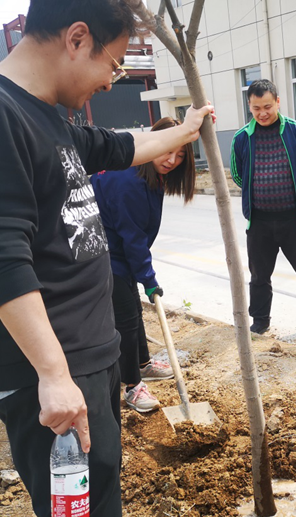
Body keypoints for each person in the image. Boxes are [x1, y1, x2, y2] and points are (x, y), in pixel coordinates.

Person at [0, 1, 213, 517]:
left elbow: (114, 148)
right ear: (77, 37)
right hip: (52, 376)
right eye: (112, 64)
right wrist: (54, 374)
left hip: (86, 360)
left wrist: (184, 131)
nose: (111, 80)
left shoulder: (49, 116)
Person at [93, 117, 196, 412]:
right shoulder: (129, 180)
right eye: (168, 151)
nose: (172, 160)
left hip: (119, 252)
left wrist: (142, 274)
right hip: (102, 255)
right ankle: (132, 385)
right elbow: (133, 237)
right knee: (125, 319)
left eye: (180, 156)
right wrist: (148, 277)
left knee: (134, 310)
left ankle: (143, 364)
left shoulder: (148, 174)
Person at [230, 79, 296, 339]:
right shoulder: (241, 138)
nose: (262, 113)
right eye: (256, 108)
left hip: (295, 220)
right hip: (259, 222)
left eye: (268, 107)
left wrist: (292, 190)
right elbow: (239, 176)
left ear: (278, 103)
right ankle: (260, 320)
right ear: (249, 106)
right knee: (259, 276)